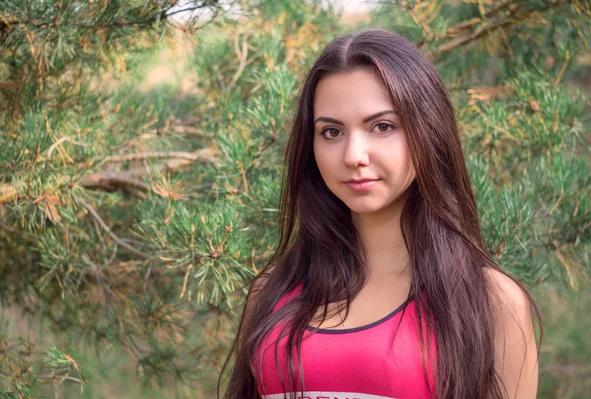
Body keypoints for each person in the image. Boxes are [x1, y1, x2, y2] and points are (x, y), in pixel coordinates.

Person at [218, 28, 541, 399]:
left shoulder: (490, 303)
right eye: (332, 132)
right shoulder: (271, 293)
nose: (354, 155)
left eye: (382, 126)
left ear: (428, 131)